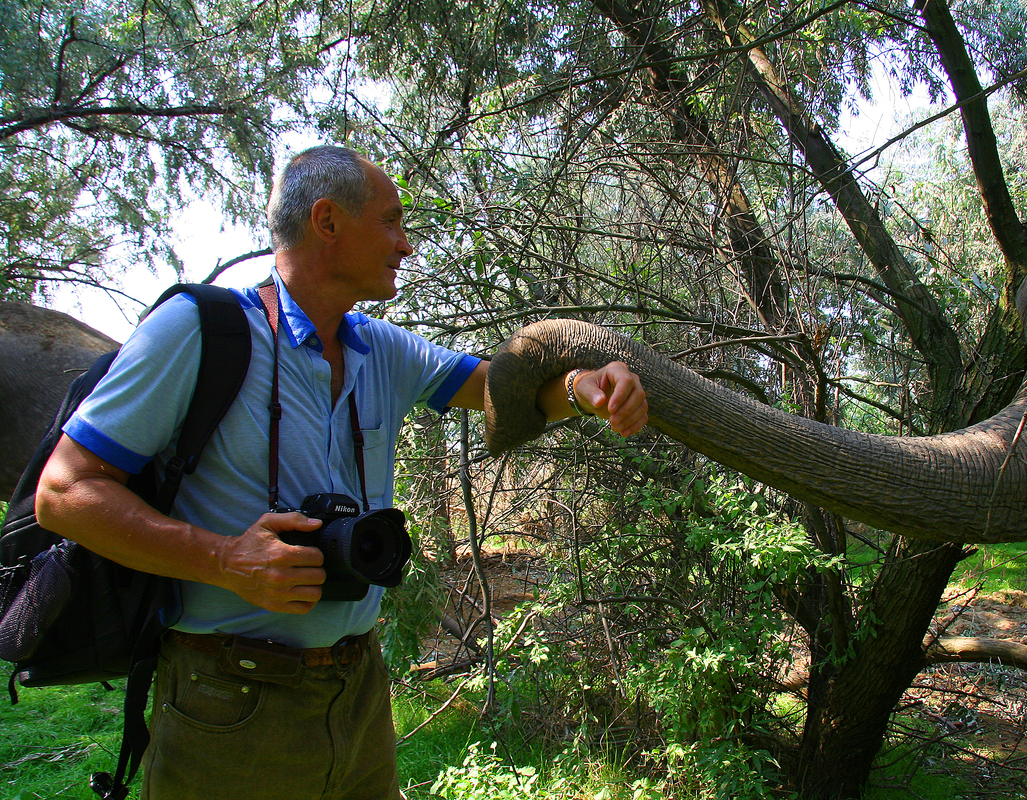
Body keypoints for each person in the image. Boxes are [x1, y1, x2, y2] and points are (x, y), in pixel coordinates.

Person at [34, 145, 648, 799]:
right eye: (390, 222)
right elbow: (65, 493)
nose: (406, 245)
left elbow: (507, 389)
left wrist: (589, 387)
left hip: (357, 691)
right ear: (327, 221)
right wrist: (225, 560)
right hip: (226, 703)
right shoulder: (199, 330)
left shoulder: (384, 349)